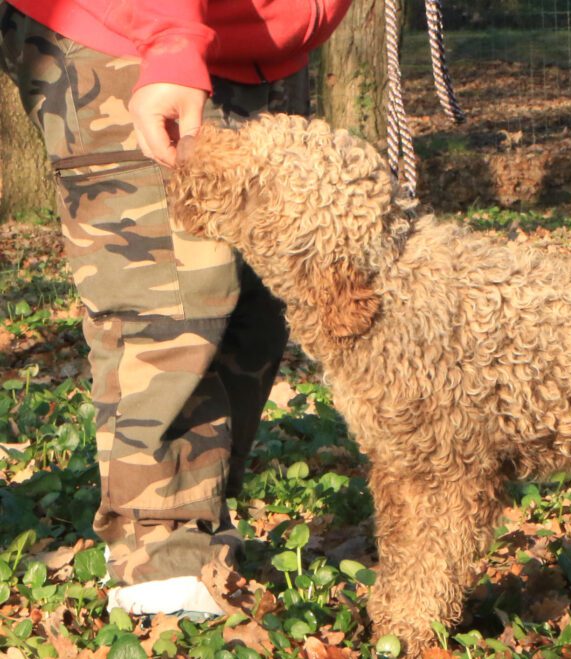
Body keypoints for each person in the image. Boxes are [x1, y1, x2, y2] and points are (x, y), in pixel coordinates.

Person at [0, 0, 353, 615]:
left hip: (261, 39)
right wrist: (170, 38)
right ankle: (159, 571)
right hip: (128, 26)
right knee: (173, 295)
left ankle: (198, 528)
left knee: (256, 302)